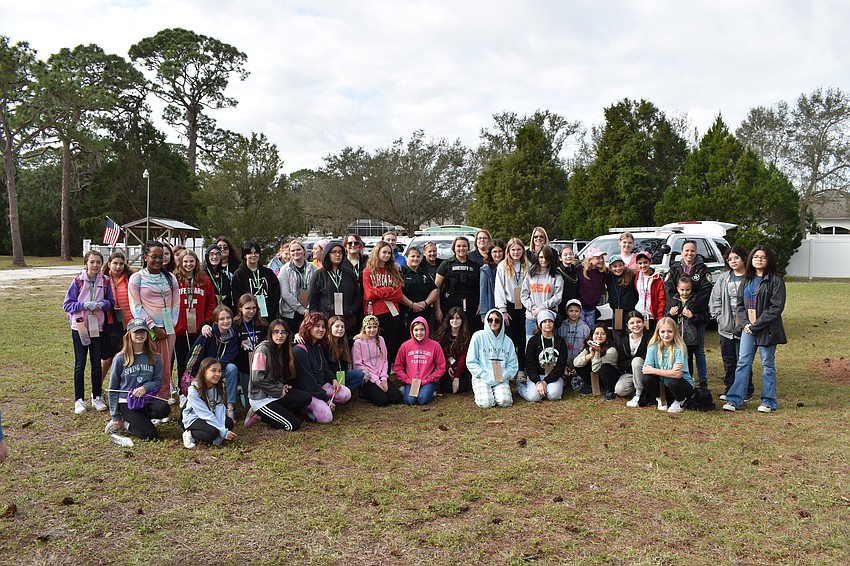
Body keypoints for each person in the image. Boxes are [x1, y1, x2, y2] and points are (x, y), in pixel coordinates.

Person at [723, 245, 787, 413]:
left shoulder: (776, 281)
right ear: (751, 259)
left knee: (767, 364)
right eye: (756, 256)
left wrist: (755, 325)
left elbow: (776, 308)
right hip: (748, 329)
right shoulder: (747, 279)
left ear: (769, 260)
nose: (759, 259)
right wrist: (745, 325)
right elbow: (740, 305)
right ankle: (735, 399)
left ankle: (768, 401)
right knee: (743, 363)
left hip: (767, 329)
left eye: (763, 257)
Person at [64, 250, 115, 414]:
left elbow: (111, 303)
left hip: (98, 328)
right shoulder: (78, 281)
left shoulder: (105, 281)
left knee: (96, 364)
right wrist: (84, 305)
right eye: (92, 262)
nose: (95, 265)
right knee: (80, 364)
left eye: (98, 262)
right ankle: (79, 400)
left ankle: (97, 397)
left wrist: (102, 304)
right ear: (86, 263)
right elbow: (67, 305)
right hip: (80, 328)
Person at [128, 241, 180, 401]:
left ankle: (162, 400)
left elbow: (176, 303)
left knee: (164, 367)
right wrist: (153, 328)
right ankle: (145, 401)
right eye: (154, 256)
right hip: (146, 332)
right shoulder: (137, 278)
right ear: (145, 257)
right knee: (146, 367)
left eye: (162, 256)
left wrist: (169, 326)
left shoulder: (170, 278)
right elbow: (136, 307)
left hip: (167, 331)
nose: (158, 260)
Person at [104, 318, 171, 439]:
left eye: (143, 332)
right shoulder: (120, 359)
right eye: (136, 332)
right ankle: (125, 423)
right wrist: (115, 416)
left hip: (145, 400)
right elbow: (113, 389)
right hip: (127, 403)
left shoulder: (154, 357)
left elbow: (158, 381)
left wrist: (145, 388)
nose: (140, 335)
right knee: (150, 435)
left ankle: (140, 420)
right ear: (129, 334)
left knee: (164, 409)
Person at [244, 319, 312, 430]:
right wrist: (278, 391)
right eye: (276, 332)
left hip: (275, 393)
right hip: (261, 398)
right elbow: (257, 379)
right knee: (292, 425)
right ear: (270, 334)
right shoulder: (263, 350)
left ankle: (278, 412)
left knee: (306, 398)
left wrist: (282, 386)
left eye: (283, 332)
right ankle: (259, 416)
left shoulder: (283, 349)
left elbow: (279, 374)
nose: (279, 335)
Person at [710, 245, 754, 401]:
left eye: (736, 258)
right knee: (729, 360)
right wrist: (719, 317)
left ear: (743, 258)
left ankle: (747, 390)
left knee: (743, 359)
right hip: (726, 326)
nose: (733, 261)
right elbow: (715, 299)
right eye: (730, 259)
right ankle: (730, 388)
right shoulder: (724, 277)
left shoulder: (751, 277)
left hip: (746, 325)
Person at [665, 240, 711, 388]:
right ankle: (685, 378)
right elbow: (668, 289)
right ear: (681, 252)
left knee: (699, 350)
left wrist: (690, 306)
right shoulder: (674, 268)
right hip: (679, 314)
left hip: (696, 314)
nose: (689, 253)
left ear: (696, 252)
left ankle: (703, 381)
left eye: (692, 250)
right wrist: (678, 305)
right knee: (682, 350)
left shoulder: (702, 269)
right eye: (686, 250)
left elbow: (705, 291)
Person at [293, 312, 352, 423]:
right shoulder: (300, 350)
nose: (321, 329)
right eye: (317, 326)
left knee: (345, 393)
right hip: (306, 391)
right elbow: (308, 383)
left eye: (323, 327)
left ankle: (320, 404)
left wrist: (333, 379)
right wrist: (326, 399)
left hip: (320, 385)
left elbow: (325, 367)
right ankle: (304, 408)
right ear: (308, 327)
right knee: (326, 417)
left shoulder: (318, 345)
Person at [187, 305, 240, 419]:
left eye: (228, 318)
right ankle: (206, 404)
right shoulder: (208, 333)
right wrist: (195, 373)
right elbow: (195, 353)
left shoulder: (233, 333)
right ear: (215, 321)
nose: (226, 321)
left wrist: (218, 367)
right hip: (206, 370)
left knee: (232, 368)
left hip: (222, 367)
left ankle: (230, 405)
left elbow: (232, 354)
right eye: (222, 319)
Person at [173, 250, 217, 383]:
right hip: (180, 329)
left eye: (191, 261)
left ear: (196, 262)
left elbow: (211, 304)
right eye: (185, 261)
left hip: (199, 329)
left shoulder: (204, 280)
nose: (188, 264)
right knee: (182, 362)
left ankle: (199, 387)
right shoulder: (174, 280)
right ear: (180, 263)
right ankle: (182, 392)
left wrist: (206, 322)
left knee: (199, 361)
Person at [362, 241, 405, 366]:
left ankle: (391, 367)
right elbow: (369, 294)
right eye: (384, 252)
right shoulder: (368, 271)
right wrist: (388, 290)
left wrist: (379, 293)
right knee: (377, 342)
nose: (386, 255)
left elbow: (398, 295)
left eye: (389, 253)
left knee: (392, 342)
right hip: (375, 312)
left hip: (393, 312)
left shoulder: (393, 270)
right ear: (377, 252)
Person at [180, 358, 236, 449]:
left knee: (229, 423)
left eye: (219, 371)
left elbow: (219, 410)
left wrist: (222, 431)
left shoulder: (219, 386)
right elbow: (204, 414)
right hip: (195, 417)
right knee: (213, 432)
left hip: (211, 414)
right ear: (204, 371)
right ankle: (189, 433)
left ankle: (213, 432)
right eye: (213, 370)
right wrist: (223, 432)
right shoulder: (194, 389)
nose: (217, 374)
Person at [467, 309, 518, 408]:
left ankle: (497, 392)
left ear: (501, 322)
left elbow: (513, 365)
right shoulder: (478, 336)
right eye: (490, 320)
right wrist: (484, 374)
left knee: (505, 402)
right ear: (486, 321)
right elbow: (471, 361)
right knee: (486, 403)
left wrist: (504, 376)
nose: (493, 323)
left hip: (500, 377)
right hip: (482, 376)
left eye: (497, 320)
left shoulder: (508, 341)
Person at [309, 240, 362, 336]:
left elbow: (357, 296)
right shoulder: (319, 275)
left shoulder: (349, 273)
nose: (338, 255)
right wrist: (318, 319)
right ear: (327, 254)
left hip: (348, 322)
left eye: (340, 252)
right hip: (326, 322)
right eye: (334, 252)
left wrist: (351, 309)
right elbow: (313, 300)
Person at [643, 317, 694, 413]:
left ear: (675, 331)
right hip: (663, 384)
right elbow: (646, 370)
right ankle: (660, 398)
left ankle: (680, 400)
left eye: (669, 331)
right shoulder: (653, 347)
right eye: (662, 332)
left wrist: (653, 370)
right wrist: (670, 372)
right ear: (658, 332)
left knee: (674, 381)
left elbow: (677, 375)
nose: (666, 335)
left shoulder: (680, 347)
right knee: (646, 379)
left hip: (681, 385)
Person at [394, 317, 446, 405]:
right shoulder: (405, 346)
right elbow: (398, 367)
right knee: (410, 401)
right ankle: (405, 389)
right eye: (416, 330)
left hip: (427, 381)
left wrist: (429, 379)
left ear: (426, 330)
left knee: (422, 400)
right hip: (411, 381)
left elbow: (441, 367)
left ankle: (429, 391)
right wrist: (407, 380)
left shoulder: (435, 345)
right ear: (412, 331)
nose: (419, 333)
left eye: (422, 330)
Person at [518, 310, 568, 402]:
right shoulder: (533, 341)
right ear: (539, 325)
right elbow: (529, 364)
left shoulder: (560, 341)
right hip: (536, 375)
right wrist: (537, 382)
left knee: (553, 395)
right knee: (533, 397)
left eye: (550, 321)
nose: (547, 324)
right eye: (544, 321)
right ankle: (520, 387)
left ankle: (549, 388)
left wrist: (545, 382)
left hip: (554, 376)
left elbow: (560, 366)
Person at [353, 315, 403, 406]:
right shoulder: (358, 343)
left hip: (380, 375)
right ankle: (365, 392)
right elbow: (358, 365)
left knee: (396, 398)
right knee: (383, 401)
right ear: (364, 328)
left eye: (375, 327)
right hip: (369, 377)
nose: (372, 330)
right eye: (369, 327)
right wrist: (377, 381)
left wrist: (383, 378)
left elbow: (384, 360)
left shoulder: (381, 340)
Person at [495, 238, 528, 372]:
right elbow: (499, 288)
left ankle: (521, 370)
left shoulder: (527, 265)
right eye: (513, 249)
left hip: (524, 305)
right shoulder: (503, 266)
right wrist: (502, 310)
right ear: (508, 251)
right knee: (509, 340)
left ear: (523, 250)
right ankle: (508, 370)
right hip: (509, 306)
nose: (516, 252)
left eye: (518, 249)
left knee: (522, 339)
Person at [435, 236, 481, 333]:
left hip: (471, 306)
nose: (461, 249)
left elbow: (482, 287)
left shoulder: (475, 265)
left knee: (470, 331)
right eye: (458, 246)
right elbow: (437, 288)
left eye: (464, 246)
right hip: (449, 305)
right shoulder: (446, 264)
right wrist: (438, 308)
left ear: (468, 248)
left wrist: (481, 304)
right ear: (454, 248)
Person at [521, 245, 563, 346]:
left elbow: (557, 297)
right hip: (532, 317)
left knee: (549, 347)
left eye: (546, 257)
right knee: (531, 347)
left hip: (549, 318)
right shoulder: (530, 275)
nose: (543, 260)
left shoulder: (556, 276)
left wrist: (541, 308)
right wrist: (533, 308)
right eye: (540, 257)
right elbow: (524, 295)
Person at [100, 251, 133, 378]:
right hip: (109, 322)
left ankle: (121, 388)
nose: (118, 267)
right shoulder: (103, 279)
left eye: (121, 264)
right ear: (109, 264)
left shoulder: (130, 278)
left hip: (128, 322)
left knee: (126, 357)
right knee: (107, 358)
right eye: (115, 263)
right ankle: (97, 389)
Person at [231, 240, 281, 323]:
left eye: (256, 252)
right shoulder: (239, 274)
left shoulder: (268, 273)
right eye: (250, 253)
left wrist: (271, 311)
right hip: (248, 317)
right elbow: (237, 298)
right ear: (244, 255)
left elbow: (275, 294)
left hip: (268, 316)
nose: (253, 255)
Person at [232, 294, 268, 409]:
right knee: (249, 406)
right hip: (244, 366)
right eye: (247, 308)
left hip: (260, 365)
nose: (251, 311)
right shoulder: (235, 325)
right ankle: (241, 391)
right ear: (240, 308)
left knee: (262, 399)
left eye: (254, 308)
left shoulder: (262, 324)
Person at [279, 239, 318, 333]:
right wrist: (301, 309)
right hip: (290, 314)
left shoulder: (313, 268)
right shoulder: (285, 270)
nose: (296, 252)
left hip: (309, 312)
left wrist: (308, 309)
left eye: (298, 249)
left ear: (304, 250)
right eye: (293, 250)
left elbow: (316, 291)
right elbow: (285, 293)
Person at [573, 323, 619, 400]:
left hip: (609, 378)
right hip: (596, 377)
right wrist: (590, 355)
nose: (599, 336)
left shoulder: (612, 350)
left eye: (603, 334)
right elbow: (575, 363)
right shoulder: (590, 347)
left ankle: (609, 391)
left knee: (605, 367)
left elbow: (596, 370)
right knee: (581, 363)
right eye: (596, 333)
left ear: (607, 336)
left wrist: (597, 354)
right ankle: (592, 385)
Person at [434, 307, 472, 394]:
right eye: (452, 318)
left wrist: (457, 376)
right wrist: (448, 367)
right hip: (446, 366)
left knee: (462, 388)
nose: (454, 320)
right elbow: (441, 355)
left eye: (458, 318)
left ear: (462, 320)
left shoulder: (466, 336)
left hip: (461, 367)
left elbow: (464, 357)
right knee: (446, 389)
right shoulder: (441, 335)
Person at [400, 245, 438, 330]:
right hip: (407, 313)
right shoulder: (401, 273)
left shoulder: (423, 272)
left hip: (424, 312)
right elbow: (398, 293)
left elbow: (434, 289)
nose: (415, 259)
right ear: (406, 258)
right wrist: (412, 305)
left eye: (418, 256)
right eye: (412, 256)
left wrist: (425, 303)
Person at [325, 315, 365, 394]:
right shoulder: (324, 344)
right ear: (329, 328)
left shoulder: (344, 343)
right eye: (337, 326)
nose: (340, 329)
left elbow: (354, 339)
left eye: (342, 327)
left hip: (342, 375)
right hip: (329, 378)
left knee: (360, 374)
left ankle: (342, 393)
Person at [618, 311, 651, 407]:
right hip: (630, 372)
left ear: (643, 323)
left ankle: (639, 393)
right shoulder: (623, 341)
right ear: (627, 325)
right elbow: (620, 364)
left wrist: (635, 361)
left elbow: (647, 358)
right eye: (632, 323)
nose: (636, 325)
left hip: (646, 371)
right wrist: (631, 363)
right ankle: (642, 388)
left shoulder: (650, 337)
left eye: (638, 322)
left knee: (637, 361)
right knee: (619, 390)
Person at [605, 254, 638, 340]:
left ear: (624, 265)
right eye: (614, 266)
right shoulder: (608, 277)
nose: (618, 268)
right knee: (618, 335)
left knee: (631, 333)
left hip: (630, 310)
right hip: (617, 311)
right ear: (610, 267)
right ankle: (619, 352)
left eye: (620, 265)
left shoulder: (631, 275)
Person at [560, 299, 591, 391]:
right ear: (566, 311)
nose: (573, 313)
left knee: (577, 387)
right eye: (571, 311)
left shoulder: (585, 327)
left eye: (576, 311)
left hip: (578, 363)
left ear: (580, 312)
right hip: (564, 362)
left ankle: (576, 374)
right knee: (562, 384)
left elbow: (587, 348)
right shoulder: (561, 326)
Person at [633, 250, 666, 333]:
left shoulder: (658, 278)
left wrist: (660, 317)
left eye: (645, 262)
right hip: (639, 314)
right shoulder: (637, 276)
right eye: (640, 263)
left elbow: (662, 299)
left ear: (650, 262)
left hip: (652, 316)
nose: (643, 265)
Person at [577, 246, 607, 329]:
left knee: (589, 330)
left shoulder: (603, 272)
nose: (601, 260)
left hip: (592, 308)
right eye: (597, 258)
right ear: (590, 259)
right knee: (579, 330)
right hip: (580, 308)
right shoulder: (579, 270)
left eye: (602, 258)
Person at [478, 238, 505, 324]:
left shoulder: (508, 267)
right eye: (494, 252)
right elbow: (483, 292)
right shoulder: (486, 269)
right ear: (490, 253)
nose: (498, 254)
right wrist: (484, 313)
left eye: (500, 251)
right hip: (492, 306)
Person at [555, 246, 580, 337]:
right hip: (560, 307)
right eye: (565, 255)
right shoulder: (557, 272)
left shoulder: (576, 271)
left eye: (570, 254)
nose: (568, 256)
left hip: (573, 307)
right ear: (560, 258)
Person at [203, 244, 234, 309]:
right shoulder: (202, 275)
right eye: (211, 254)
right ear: (207, 256)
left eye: (218, 254)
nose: (215, 257)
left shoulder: (224, 275)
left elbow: (229, 299)